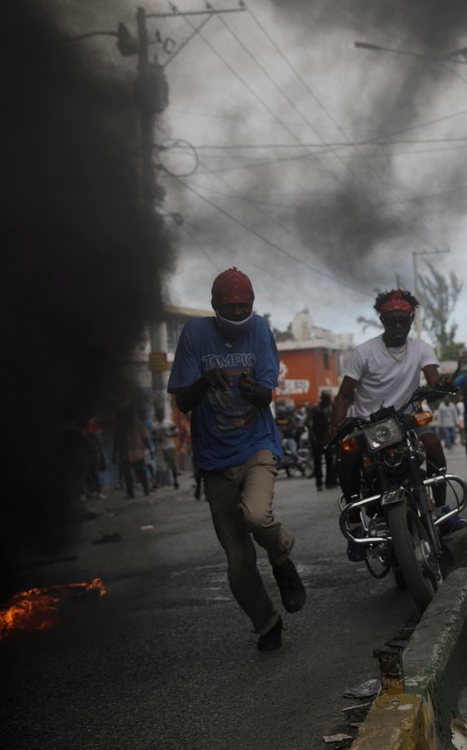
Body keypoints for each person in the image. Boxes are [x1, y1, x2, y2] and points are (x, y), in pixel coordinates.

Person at [167, 267, 307, 652]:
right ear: (214, 307)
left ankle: (281, 558)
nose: (236, 315)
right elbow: (183, 402)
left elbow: (266, 396)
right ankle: (267, 622)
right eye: (228, 309)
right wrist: (202, 380)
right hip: (213, 460)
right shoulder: (195, 334)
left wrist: (252, 390)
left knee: (256, 515)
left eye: (242, 308)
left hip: (256, 445)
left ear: (252, 306)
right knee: (238, 564)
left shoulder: (260, 330)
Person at [329, 289, 466, 560]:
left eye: (404, 320)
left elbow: (433, 378)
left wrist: (442, 386)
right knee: (347, 458)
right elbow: (345, 396)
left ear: (411, 319)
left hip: (406, 419)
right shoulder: (363, 353)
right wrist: (336, 429)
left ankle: (440, 510)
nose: (398, 326)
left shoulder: (421, 348)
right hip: (369, 425)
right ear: (382, 321)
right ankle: (356, 525)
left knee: (433, 444)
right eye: (392, 321)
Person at [111, 404, 151, 498]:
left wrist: (114, 454)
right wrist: (149, 449)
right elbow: (145, 438)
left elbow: (116, 443)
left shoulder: (122, 427)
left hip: (128, 454)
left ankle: (132, 492)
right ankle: (144, 489)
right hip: (136, 453)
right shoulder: (138, 425)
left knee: (130, 474)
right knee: (139, 472)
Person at [306, 392, 336, 490]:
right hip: (317, 439)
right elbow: (307, 421)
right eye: (326, 398)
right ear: (322, 398)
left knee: (329, 461)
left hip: (327, 438)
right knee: (318, 462)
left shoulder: (330, 407)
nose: (327, 400)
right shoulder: (316, 408)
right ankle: (319, 483)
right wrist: (313, 435)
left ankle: (329, 482)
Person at [152, 407, 180, 489]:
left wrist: (168, 435)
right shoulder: (155, 425)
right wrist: (157, 438)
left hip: (169, 446)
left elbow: (176, 433)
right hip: (160, 447)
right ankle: (156, 483)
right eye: (158, 414)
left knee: (172, 464)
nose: (160, 416)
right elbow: (153, 436)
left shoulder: (168, 423)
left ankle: (175, 481)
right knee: (159, 465)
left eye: (161, 414)